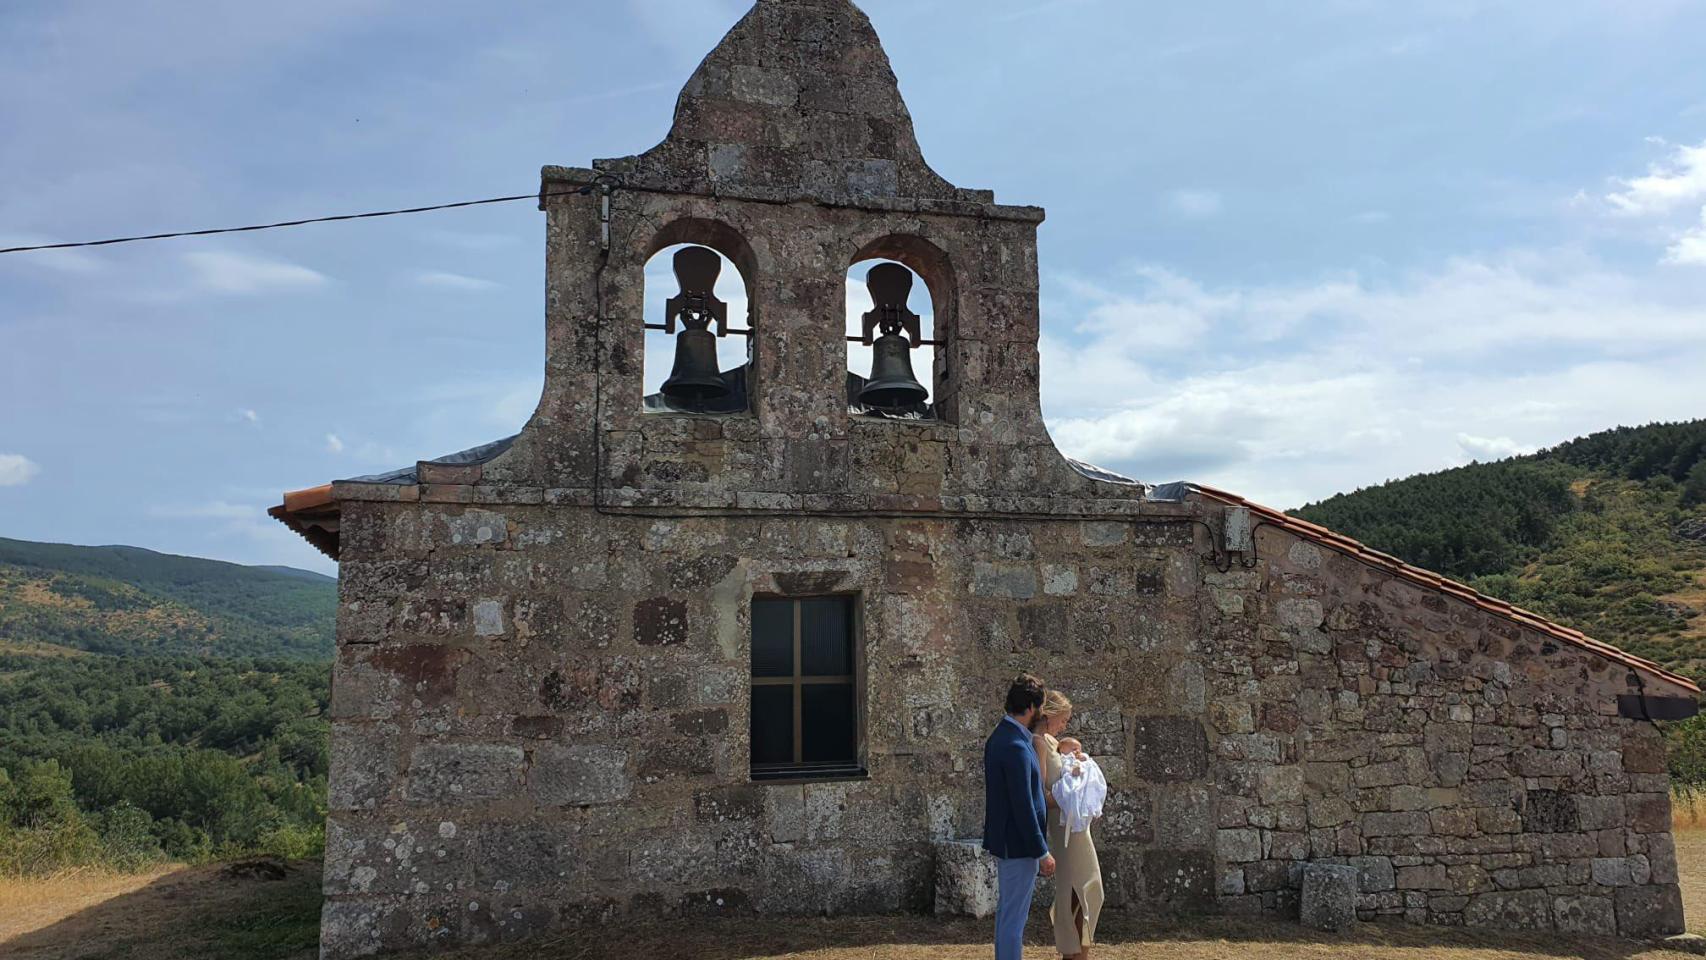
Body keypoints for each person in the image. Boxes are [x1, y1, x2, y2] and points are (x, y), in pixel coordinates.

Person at [983, 673, 1055, 960]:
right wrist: (1042, 851)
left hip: (1011, 841)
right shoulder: (1013, 745)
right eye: (1039, 707)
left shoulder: (1006, 736)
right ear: (1030, 708)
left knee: (1007, 915)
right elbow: (1023, 804)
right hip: (1018, 844)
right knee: (1013, 920)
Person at [1033, 690, 1104, 960]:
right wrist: (1068, 794)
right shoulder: (1039, 742)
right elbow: (1040, 792)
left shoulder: (1053, 741)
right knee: (1075, 888)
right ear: (1049, 715)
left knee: (1088, 888)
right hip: (1063, 827)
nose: (1065, 726)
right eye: (1063, 720)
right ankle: (1074, 952)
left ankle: (1076, 950)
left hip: (1074, 825)